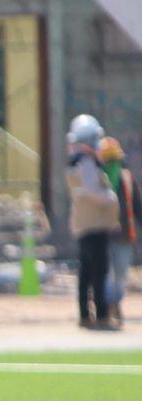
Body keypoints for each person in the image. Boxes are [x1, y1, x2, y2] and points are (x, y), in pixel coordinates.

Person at [66, 115, 121, 330]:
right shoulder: (86, 163)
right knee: (99, 272)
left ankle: (85, 314)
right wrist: (110, 197)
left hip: (84, 225)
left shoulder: (76, 162)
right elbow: (93, 192)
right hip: (95, 226)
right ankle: (101, 315)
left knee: (86, 273)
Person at [98, 136, 141, 326]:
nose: (112, 163)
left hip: (124, 235)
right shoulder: (99, 178)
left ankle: (116, 302)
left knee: (121, 273)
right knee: (107, 273)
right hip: (104, 235)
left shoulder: (127, 178)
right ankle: (108, 306)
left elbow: (137, 205)